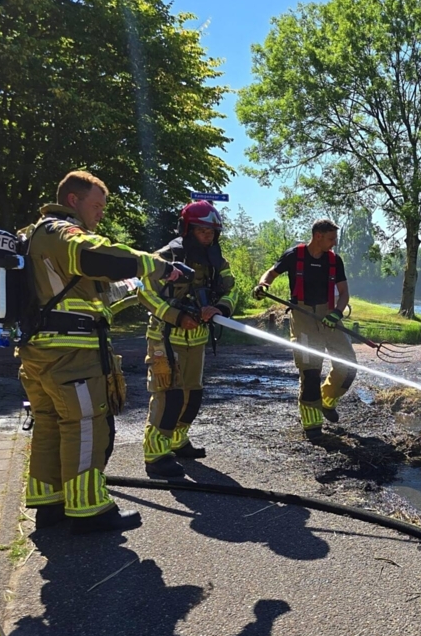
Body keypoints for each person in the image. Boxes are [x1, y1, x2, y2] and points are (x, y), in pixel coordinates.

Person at [20, 171, 186, 533]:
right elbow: (93, 256)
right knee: (85, 427)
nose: (100, 215)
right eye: (96, 206)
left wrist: (143, 284)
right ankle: (89, 509)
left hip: (40, 352)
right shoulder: (61, 232)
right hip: (71, 356)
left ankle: (50, 504)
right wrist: (153, 263)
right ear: (73, 200)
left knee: (50, 426)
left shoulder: (33, 237)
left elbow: (98, 292)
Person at [137, 201, 236, 478]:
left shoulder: (217, 261)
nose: (208, 237)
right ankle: (155, 454)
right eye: (203, 231)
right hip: (165, 338)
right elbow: (143, 292)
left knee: (192, 395)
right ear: (188, 229)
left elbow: (232, 290)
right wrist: (175, 316)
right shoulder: (165, 257)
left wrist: (220, 308)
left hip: (198, 339)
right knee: (169, 395)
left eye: (212, 233)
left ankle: (178, 441)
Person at [253, 219, 356, 440]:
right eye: (331, 238)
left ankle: (327, 400)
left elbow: (344, 292)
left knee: (348, 367)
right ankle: (312, 426)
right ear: (317, 236)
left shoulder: (335, 260)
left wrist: (337, 312)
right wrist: (263, 286)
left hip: (330, 314)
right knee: (310, 371)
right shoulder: (294, 255)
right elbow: (270, 274)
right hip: (302, 316)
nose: (334, 243)